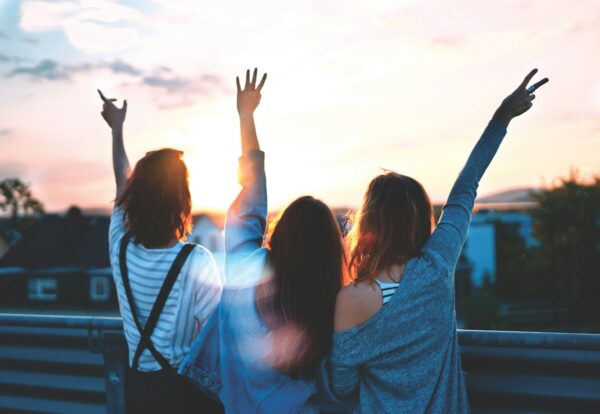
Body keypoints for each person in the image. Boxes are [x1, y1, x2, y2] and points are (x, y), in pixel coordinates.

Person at [330, 69, 549, 413]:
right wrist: (501, 118)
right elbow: (466, 188)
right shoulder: (437, 265)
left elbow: (342, 389)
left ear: (368, 222)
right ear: (419, 219)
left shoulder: (350, 299)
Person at [180, 68, 346, 412]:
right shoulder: (329, 301)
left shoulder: (247, 268)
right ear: (329, 250)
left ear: (281, 231)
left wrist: (245, 117)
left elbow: (252, 194)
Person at [98, 90, 225, 413]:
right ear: (182, 201)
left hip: (136, 391)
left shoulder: (120, 245)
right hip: (186, 395)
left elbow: (121, 184)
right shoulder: (196, 261)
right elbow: (217, 336)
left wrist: (116, 130)